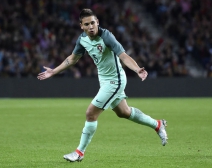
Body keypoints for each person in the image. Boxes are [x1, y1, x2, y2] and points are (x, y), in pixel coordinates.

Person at [37, 8, 168, 162]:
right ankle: (157, 124)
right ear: (82, 26)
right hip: (104, 80)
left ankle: (79, 152)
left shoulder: (106, 36)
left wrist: (137, 69)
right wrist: (54, 71)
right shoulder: (82, 40)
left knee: (90, 113)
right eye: (87, 24)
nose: (91, 26)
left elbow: (123, 56)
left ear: (97, 22)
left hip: (115, 80)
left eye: (93, 22)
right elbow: (72, 59)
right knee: (124, 112)